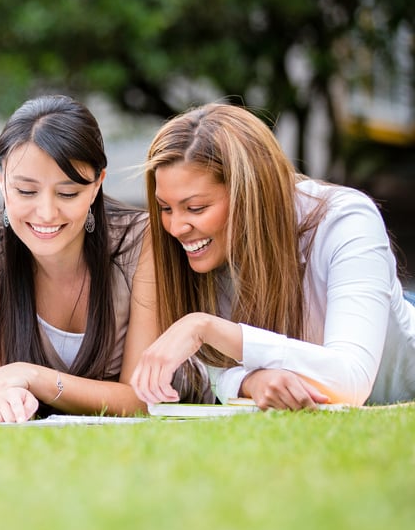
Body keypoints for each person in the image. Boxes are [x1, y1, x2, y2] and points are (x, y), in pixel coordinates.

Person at [130, 102, 415, 409]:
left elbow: (351, 383)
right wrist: (250, 381)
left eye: (196, 208)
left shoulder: (345, 220)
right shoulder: (206, 254)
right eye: (165, 208)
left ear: (248, 193)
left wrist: (205, 328)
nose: (175, 227)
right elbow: (213, 370)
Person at [0, 95, 158, 423]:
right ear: (0, 179)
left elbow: (142, 400)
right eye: (26, 191)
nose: (46, 213)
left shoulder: (140, 242)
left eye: (67, 193)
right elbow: (0, 388)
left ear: (96, 185)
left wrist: (32, 376)